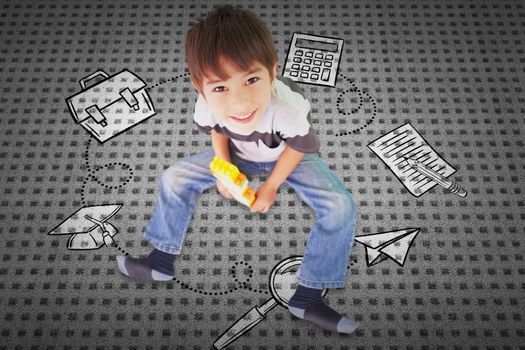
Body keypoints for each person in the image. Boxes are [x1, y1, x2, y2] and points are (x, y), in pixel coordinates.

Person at [117, 5, 359, 334]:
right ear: (199, 87)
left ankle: (308, 296)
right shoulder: (207, 107)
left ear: (273, 73)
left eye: (251, 80)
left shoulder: (287, 110)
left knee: (340, 205)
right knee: (175, 176)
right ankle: (160, 260)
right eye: (220, 87)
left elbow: (298, 148)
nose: (240, 102)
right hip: (239, 152)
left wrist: (271, 186)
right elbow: (219, 130)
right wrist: (223, 167)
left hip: (286, 154)